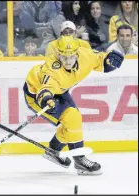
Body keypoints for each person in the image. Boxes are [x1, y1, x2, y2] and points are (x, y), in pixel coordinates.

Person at [23, 35, 124, 175]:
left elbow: (101, 62)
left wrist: (110, 61)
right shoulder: (52, 69)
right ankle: (79, 159)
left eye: (71, 57)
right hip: (36, 94)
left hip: (60, 91)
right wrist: (47, 100)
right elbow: (45, 89)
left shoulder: (85, 56)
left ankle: (53, 150)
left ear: (77, 53)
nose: (68, 61)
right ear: (57, 54)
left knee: (71, 123)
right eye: (64, 57)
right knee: (73, 118)